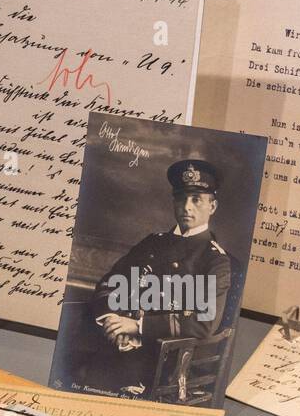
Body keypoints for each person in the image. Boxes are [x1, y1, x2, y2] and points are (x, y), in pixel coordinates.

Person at [82, 159, 233, 398]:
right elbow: (110, 283)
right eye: (181, 198)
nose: (187, 207)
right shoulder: (153, 242)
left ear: (212, 206)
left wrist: (138, 327)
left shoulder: (215, 260)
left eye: (196, 199)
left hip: (166, 362)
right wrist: (113, 319)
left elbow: (203, 324)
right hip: (116, 345)